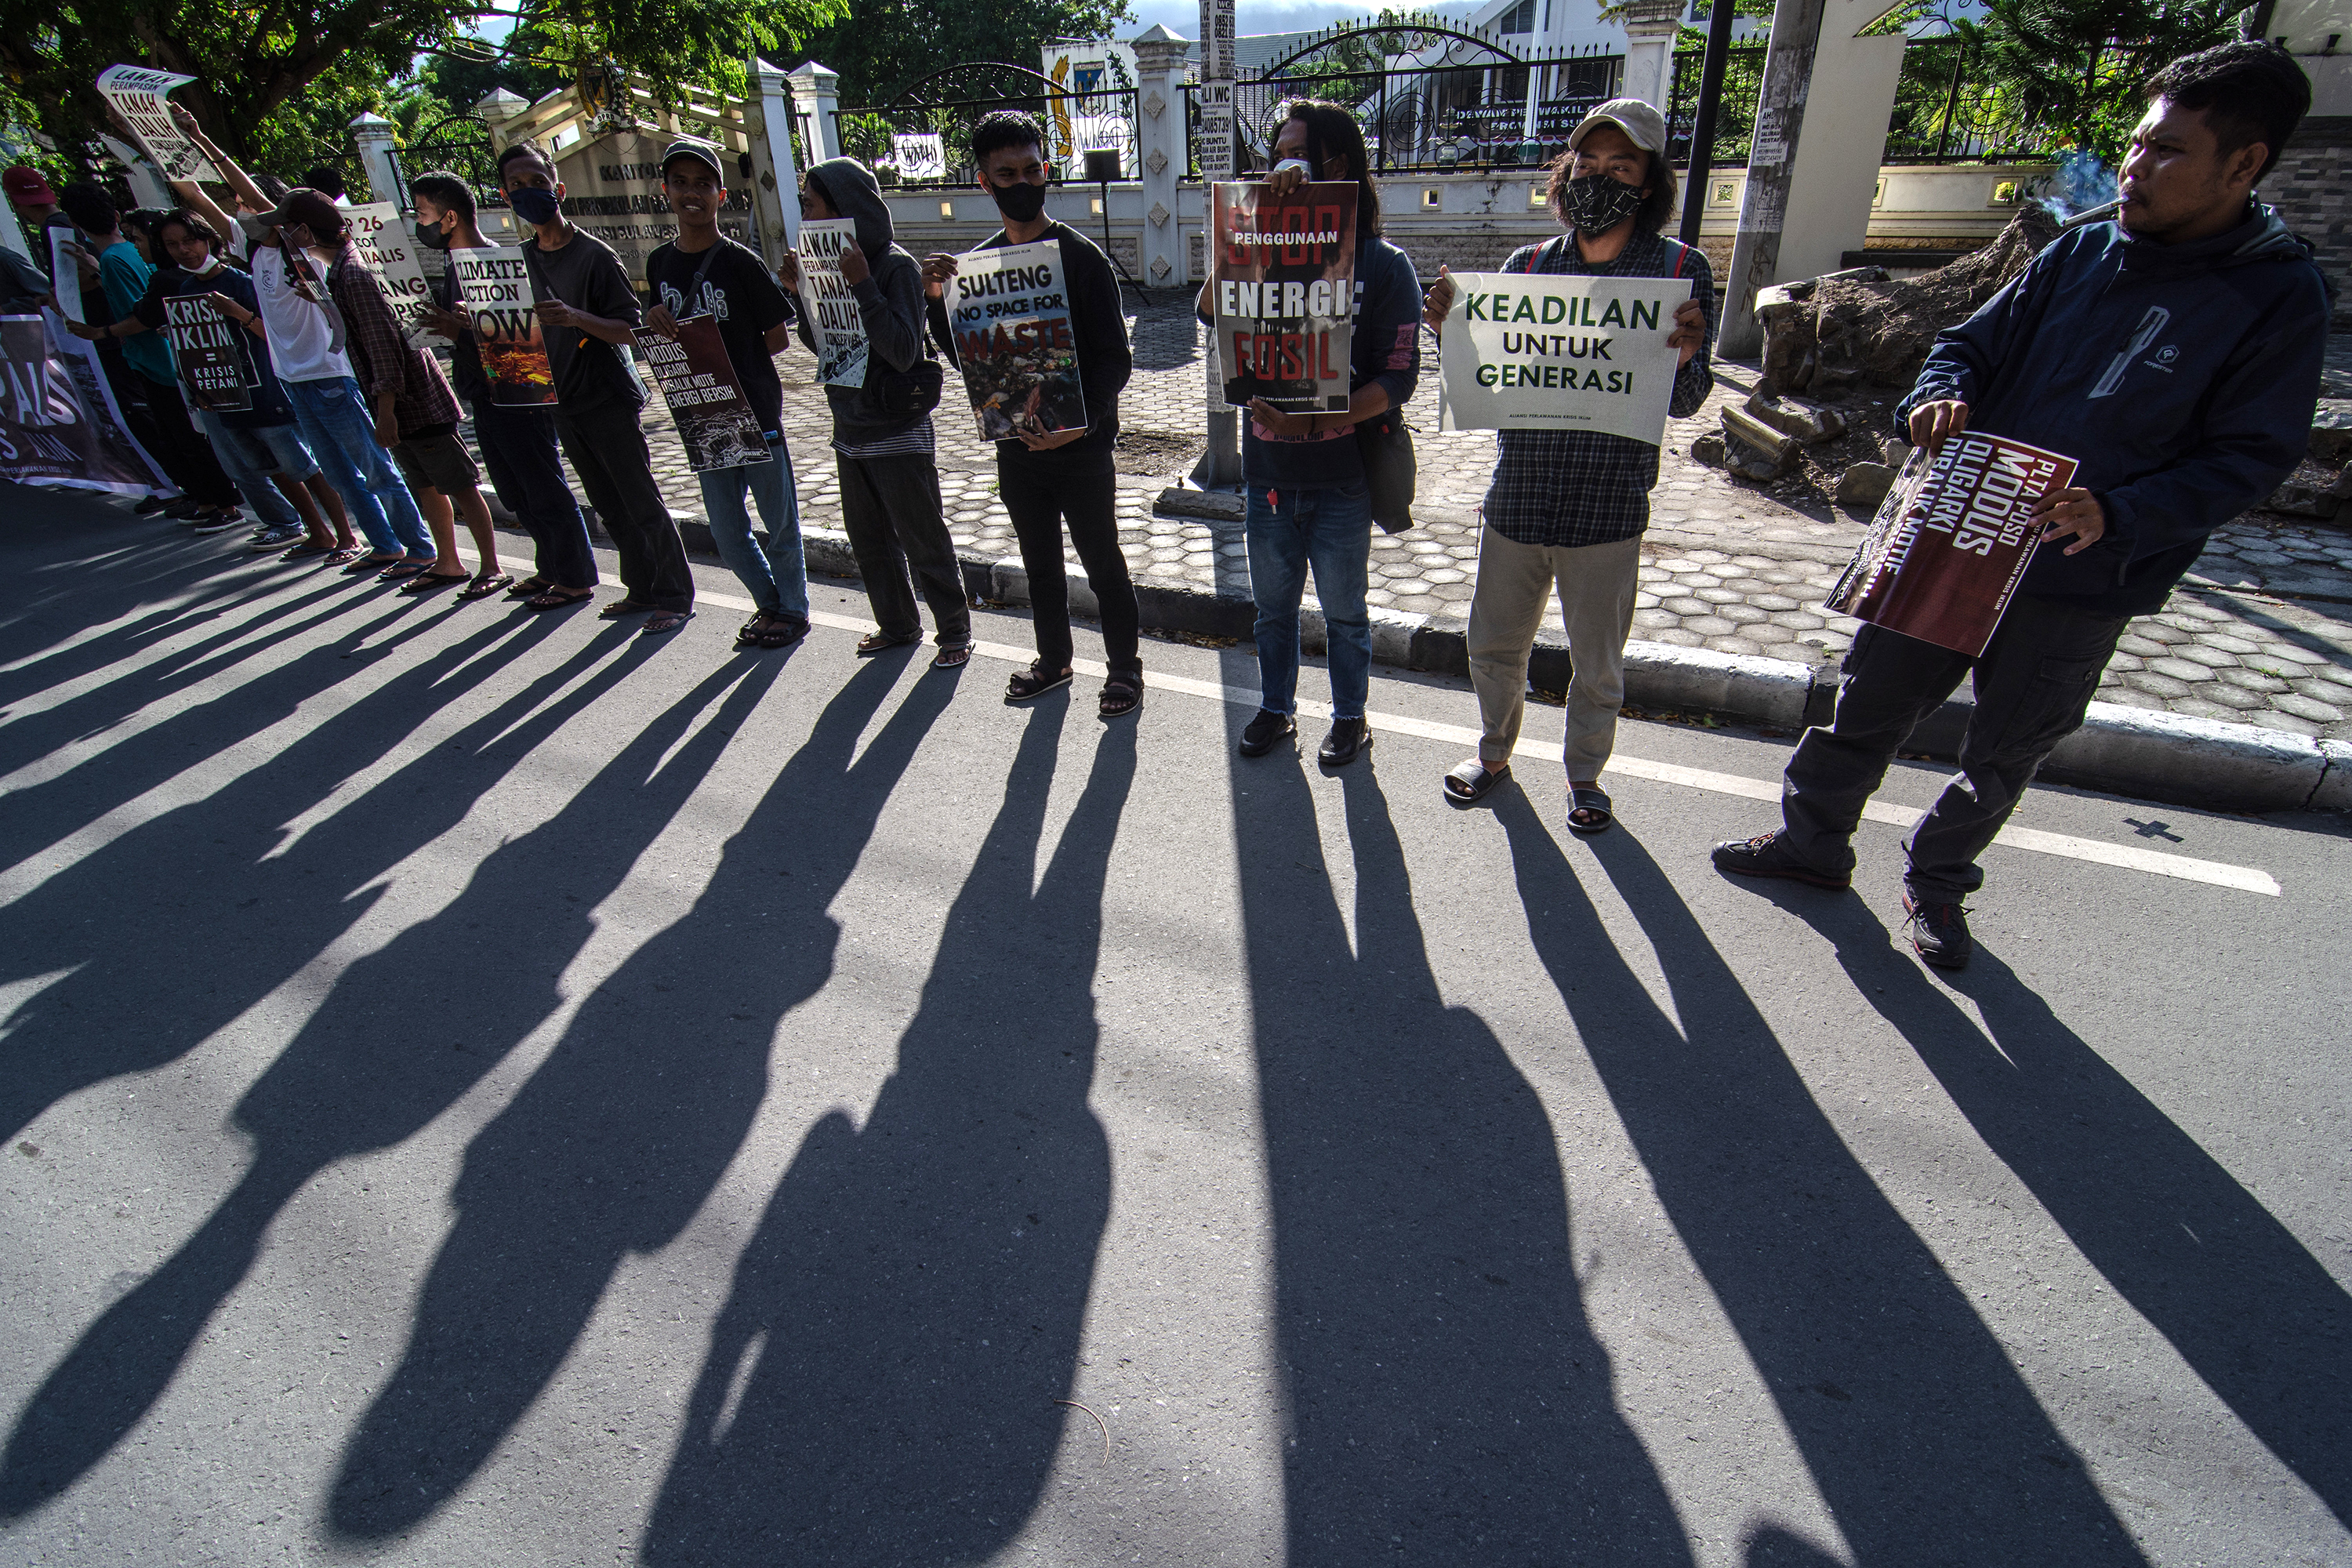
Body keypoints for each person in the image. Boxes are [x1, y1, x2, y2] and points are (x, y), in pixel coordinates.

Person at [1712, 42, 2328, 971]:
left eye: (2166, 152)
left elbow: (2252, 456)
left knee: (2008, 746)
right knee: (1866, 701)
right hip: (1962, 532)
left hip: (2086, 572)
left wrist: (2118, 512)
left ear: (2244, 164)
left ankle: (1938, 878)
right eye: (2135, 145)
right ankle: (1811, 843)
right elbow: (1966, 345)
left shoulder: (2277, 296)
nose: (2134, 167)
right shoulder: (2081, 249)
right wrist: (1940, 392)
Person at [1421, 99, 1715, 833]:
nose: (1600, 179)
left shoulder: (1680, 272)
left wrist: (1685, 352)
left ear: (1649, 185)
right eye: (1587, 165)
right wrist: (1448, 334)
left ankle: (1584, 776)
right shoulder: (1525, 271)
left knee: (1598, 664)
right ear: (1565, 174)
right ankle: (1492, 754)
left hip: (1608, 507)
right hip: (1517, 497)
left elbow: (1685, 400)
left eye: (1622, 166)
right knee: (1492, 644)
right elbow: (1491, 379)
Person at [1196, 100, 1421, 765]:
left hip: (1342, 484)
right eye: (1275, 157)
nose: (1281, 167)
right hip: (1268, 482)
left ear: (1337, 164)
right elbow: (1210, 310)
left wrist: (1320, 419)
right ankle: (1276, 710)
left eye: (1296, 154)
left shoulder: (1382, 265)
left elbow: (1398, 379)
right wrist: (1251, 224)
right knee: (1272, 614)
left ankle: (1351, 718)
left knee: (1346, 615)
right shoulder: (1261, 253)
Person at [922, 110, 1142, 717]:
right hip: (1017, 449)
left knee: (1103, 564)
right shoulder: (977, 268)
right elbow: (967, 358)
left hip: (1083, 448)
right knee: (1039, 564)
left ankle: (1125, 670)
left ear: (1046, 171)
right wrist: (938, 301)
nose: (1023, 183)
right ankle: (1054, 661)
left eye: (1032, 170)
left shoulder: (1083, 259)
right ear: (984, 183)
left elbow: (1115, 361)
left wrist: (1083, 422)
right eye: (1007, 174)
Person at [779, 155, 971, 669]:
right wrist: (801, 295)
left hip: (897, 430)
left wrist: (863, 286)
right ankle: (897, 624)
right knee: (869, 542)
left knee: (922, 536)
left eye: (812, 205)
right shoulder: (827, 265)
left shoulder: (894, 267)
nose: (807, 216)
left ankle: (954, 630)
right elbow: (820, 343)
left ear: (845, 209)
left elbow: (904, 350)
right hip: (850, 427)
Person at [499, 139, 695, 635]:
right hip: (558, 400)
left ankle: (674, 594)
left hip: (606, 396)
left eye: (538, 183)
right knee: (607, 502)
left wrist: (576, 318)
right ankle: (642, 588)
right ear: (505, 195)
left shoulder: (594, 256)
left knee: (639, 497)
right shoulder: (517, 261)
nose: (529, 193)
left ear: (558, 189)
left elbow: (632, 331)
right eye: (517, 186)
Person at [643, 138, 807, 647]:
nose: (693, 193)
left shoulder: (741, 263)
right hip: (702, 417)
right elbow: (658, 327)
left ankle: (794, 611)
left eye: (704, 184)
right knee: (729, 536)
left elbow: (777, 337)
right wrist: (655, 320)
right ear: (667, 191)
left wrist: (730, 360)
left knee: (780, 529)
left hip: (754, 413)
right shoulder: (658, 264)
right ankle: (770, 604)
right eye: (682, 183)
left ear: (721, 195)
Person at [412, 171, 597, 611]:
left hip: (519, 392)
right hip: (484, 392)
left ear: (449, 217)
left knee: (542, 484)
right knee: (514, 490)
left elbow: (512, 342)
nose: (419, 224)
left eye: (422, 214)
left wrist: (458, 328)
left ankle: (574, 576)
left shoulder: (494, 265)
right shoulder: (459, 267)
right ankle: (550, 566)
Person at [59, 194, 243, 530]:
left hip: (163, 364)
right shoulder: (124, 260)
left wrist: (99, 332)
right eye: (169, 243)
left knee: (188, 438)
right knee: (186, 436)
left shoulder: (125, 262)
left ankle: (219, 503)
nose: (139, 246)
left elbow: (142, 313)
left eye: (141, 239)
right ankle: (209, 501)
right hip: (167, 361)